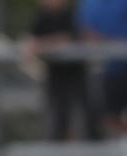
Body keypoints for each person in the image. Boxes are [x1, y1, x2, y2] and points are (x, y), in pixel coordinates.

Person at [28, 0, 101, 141]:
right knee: (56, 118)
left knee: (84, 116)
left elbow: (67, 39)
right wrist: (43, 45)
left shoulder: (71, 14)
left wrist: (43, 45)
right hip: (55, 75)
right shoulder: (42, 16)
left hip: (76, 75)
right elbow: (31, 43)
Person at [78, 0, 127, 135]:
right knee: (108, 119)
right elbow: (86, 34)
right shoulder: (87, 4)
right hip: (105, 71)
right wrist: (113, 44)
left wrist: (122, 45)